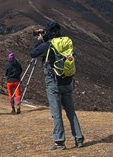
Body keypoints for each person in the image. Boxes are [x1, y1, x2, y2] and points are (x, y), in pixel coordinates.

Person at [30, 22, 84, 150]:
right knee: (71, 112)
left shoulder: (47, 45)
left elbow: (33, 53)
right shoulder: (65, 42)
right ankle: (79, 138)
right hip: (67, 81)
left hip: (53, 84)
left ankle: (59, 142)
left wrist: (40, 40)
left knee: (57, 113)